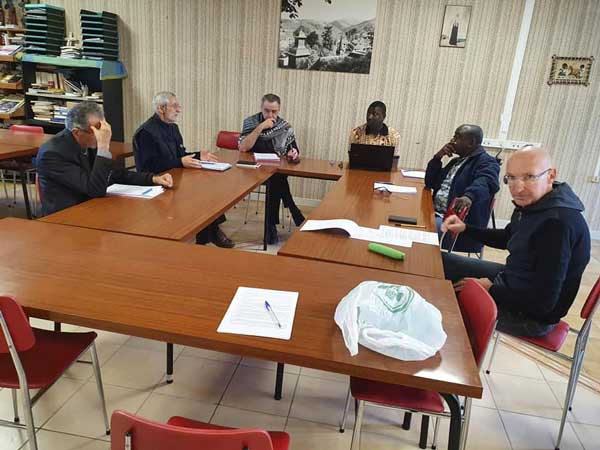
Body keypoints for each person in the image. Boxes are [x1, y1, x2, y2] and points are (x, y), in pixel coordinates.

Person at [442, 147, 590, 337]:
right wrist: (465, 228)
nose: (518, 188)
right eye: (511, 178)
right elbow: (508, 237)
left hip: (530, 316)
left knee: (444, 300)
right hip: (512, 280)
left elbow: (543, 302)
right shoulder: (534, 204)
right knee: (442, 262)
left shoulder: (557, 224)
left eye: (529, 177)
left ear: (551, 175)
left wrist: (491, 289)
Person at [132, 91, 234, 248]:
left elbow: (180, 155)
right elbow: (149, 166)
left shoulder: (173, 128)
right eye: (174, 106)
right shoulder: (146, 132)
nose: (178, 110)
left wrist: (199, 155)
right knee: (198, 195)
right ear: (160, 108)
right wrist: (180, 161)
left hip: (175, 177)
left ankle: (207, 234)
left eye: (178, 106)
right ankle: (210, 233)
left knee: (208, 188)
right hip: (155, 182)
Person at [36, 101, 172, 217]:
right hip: (65, 218)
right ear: (77, 132)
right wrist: (103, 147)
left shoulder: (88, 142)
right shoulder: (52, 154)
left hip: (91, 208)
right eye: (96, 130)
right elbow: (94, 190)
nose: (102, 134)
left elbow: (113, 174)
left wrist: (152, 178)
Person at [239, 93, 305, 244]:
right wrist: (261, 127)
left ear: (279, 110)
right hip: (253, 170)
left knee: (276, 179)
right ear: (261, 108)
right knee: (277, 179)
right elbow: (243, 147)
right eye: (266, 110)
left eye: (274, 111)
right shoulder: (250, 122)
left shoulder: (284, 126)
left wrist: (293, 153)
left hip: (274, 171)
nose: (270, 115)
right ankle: (292, 210)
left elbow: (293, 149)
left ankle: (270, 228)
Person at [425, 124, 500, 252]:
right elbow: (430, 182)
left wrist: (469, 196)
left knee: (420, 232)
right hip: (434, 212)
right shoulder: (455, 162)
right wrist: (437, 157)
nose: (452, 141)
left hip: (455, 225)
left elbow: (486, 181)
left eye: (457, 137)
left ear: (471, 142)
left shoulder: (487, 162)